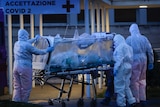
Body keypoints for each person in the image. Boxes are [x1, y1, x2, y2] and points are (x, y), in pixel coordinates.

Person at [12, 29, 54, 102]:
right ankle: (24, 103)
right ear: (25, 36)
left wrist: (34, 39)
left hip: (15, 67)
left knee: (17, 87)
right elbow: (38, 52)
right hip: (25, 68)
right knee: (26, 88)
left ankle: (15, 102)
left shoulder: (17, 43)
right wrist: (47, 50)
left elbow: (26, 42)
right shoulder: (27, 46)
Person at [126, 23, 154, 106]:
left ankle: (136, 99)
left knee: (134, 80)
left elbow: (126, 51)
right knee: (142, 79)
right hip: (143, 59)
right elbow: (150, 51)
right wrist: (151, 62)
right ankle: (143, 98)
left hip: (134, 59)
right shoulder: (144, 38)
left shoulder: (129, 39)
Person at [113, 34, 136, 107]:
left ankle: (121, 104)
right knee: (126, 85)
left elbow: (119, 60)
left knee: (120, 87)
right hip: (129, 66)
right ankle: (132, 101)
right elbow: (132, 58)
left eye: (115, 41)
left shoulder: (120, 47)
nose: (114, 43)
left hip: (121, 67)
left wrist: (115, 69)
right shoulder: (129, 47)